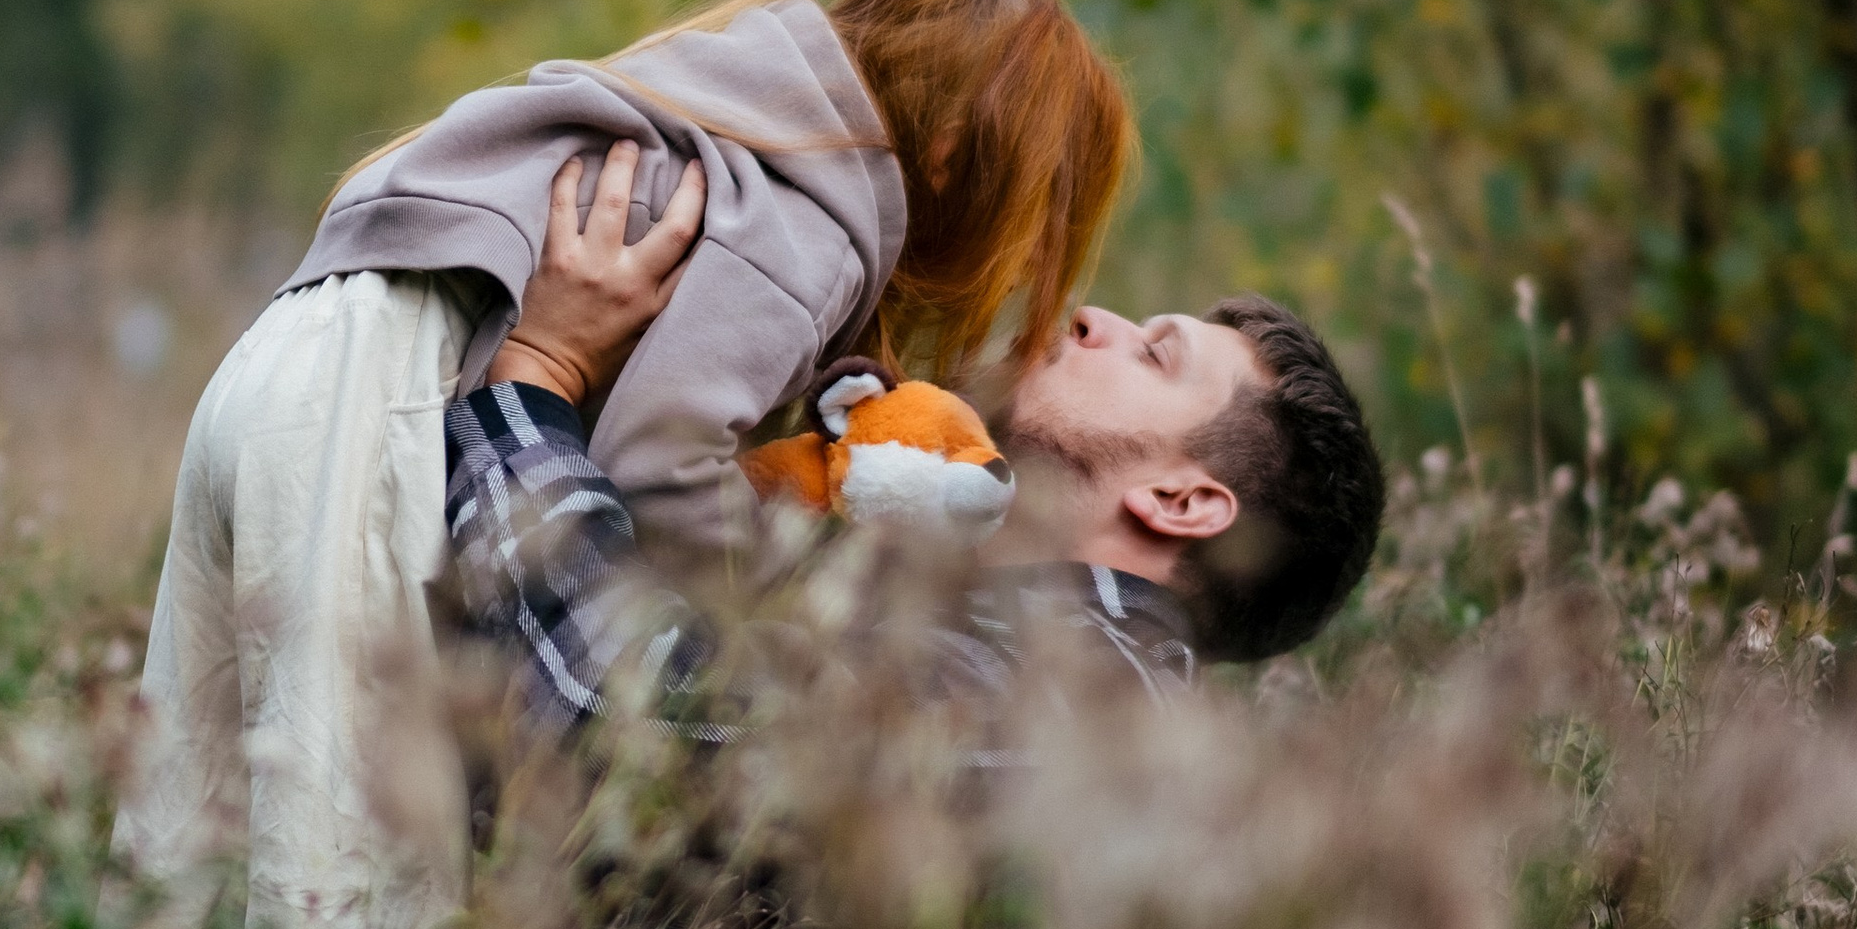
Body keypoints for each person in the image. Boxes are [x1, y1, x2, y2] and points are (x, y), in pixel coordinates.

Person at [120, 0, 1132, 929]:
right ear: (965, 154)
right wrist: (791, 617)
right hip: (367, 403)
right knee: (345, 877)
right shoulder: (813, 223)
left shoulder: (731, 109)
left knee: (191, 817)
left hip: (284, 360)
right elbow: (661, 463)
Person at [448, 184, 1385, 723]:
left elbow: (619, 704)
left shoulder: (1061, 704)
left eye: (1156, 354)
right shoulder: (974, 638)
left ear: (1185, 501)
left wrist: (539, 369)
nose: (1098, 318)